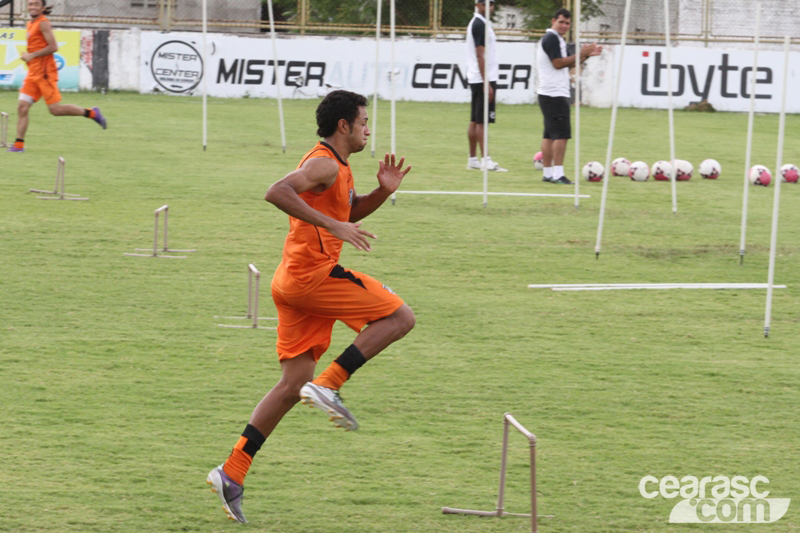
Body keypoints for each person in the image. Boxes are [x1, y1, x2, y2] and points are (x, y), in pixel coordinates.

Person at [207, 90, 416, 524]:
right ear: (344, 125)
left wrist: (382, 192)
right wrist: (331, 223)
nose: (368, 128)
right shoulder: (322, 162)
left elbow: (349, 212)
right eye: (363, 121)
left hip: (292, 283)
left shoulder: (339, 167)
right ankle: (332, 382)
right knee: (399, 317)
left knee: (291, 385)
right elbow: (276, 191)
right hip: (312, 277)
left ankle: (232, 472)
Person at [7, 0, 106, 153]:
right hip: (32, 73)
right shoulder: (30, 24)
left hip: (45, 74)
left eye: (36, 4)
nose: (32, 7)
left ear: (42, 7)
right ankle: (18, 145)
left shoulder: (43, 23)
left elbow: (53, 47)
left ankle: (92, 113)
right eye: (30, 4)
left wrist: (32, 55)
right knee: (22, 107)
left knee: (55, 110)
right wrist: (29, 58)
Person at [536, 8, 601, 184]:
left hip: (550, 92)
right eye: (561, 22)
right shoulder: (551, 38)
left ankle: (548, 173)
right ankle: (558, 174)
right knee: (561, 135)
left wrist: (585, 56)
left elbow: (566, 63)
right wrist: (581, 54)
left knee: (549, 135)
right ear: (553, 21)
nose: (564, 26)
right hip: (554, 93)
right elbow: (558, 64)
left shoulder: (556, 39)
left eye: (567, 23)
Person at [465, 0, 506, 172]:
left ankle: (473, 159)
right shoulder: (479, 24)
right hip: (483, 78)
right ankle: (486, 160)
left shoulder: (480, 23)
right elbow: (480, 54)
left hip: (477, 77)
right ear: (478, 4)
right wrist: (486, 82)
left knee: (475, 120)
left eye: (492, 4)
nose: (490, 7)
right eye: (487, 4)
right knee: (482, 121)